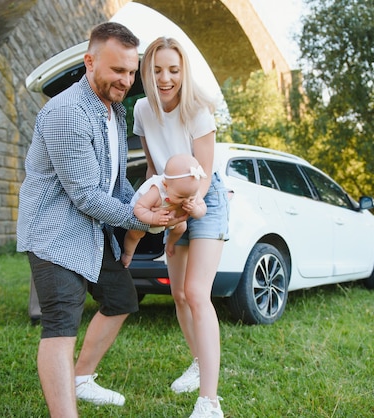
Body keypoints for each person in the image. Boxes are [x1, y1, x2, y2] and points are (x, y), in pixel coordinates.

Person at [16, 22, 176, 418]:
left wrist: (146, 209)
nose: (126, 80)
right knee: (61, 324)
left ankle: (80, 379)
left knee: (121, 298)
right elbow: (86, 195)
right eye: (116, 70)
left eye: (131, 71)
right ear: (89, 62)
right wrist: (140, 217)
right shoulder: (67, 112)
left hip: (91, 232)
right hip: (55, 234)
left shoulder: (115, 112)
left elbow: (115, 182)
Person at [133, 37, 230, 418]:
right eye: (157, 70)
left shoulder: (198, 111)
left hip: (205, 201)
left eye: (173, 69)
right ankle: (197, 362)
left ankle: (210, 402)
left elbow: (203, 178)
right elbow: (154, 169)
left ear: (183, 71)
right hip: (171, 199)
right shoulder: (142, 109)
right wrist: (154, 210)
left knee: (196, 292)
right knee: (178, 294)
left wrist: (189, 211)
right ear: (147, 72)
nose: (165, 78)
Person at [122, 153, 208, 268]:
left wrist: (195, 209)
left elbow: (202, 209)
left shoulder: (189, 190)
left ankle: (170, 242)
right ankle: (128, 254)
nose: (186, 200)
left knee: (182, 227)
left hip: (173, 218)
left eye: (191, 197)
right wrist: (154, 218)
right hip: (146, 216)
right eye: (181, 197)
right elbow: (139, 208)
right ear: (165, 185)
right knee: (135, 233)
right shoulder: (156, 191)